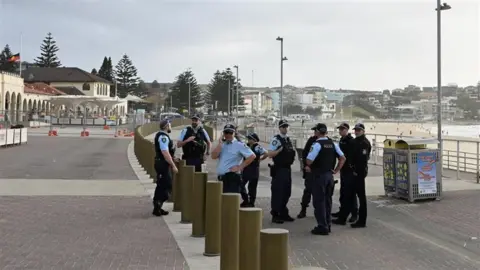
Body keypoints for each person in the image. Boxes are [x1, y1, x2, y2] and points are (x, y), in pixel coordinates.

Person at [305, 123, 346, 235]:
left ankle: (322, 226)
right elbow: (342, 158)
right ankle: (327, 224)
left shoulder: (317, 144)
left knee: (319, 202)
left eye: (315, 131)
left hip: (319, 176)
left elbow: (309, 160)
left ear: (318, 132)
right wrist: (336, 170)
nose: (314, 133)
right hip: (329, 176)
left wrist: (309, 166)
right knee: (328, 201)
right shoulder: (333, 143)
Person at [332, 123, 371, 228]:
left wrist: (356, 171)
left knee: (360, 198)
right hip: (352, 173)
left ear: (363, 131)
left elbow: (363, 160)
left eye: (359, 130)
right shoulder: (354, 142)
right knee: (348, 196)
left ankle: (361, 220)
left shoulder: (364, 143)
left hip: (359, 174)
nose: (357, 132)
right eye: (356, 130)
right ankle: (343, 218)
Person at [212, 124, 256, 193]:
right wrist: (220, 144)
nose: (228, 134)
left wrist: (240, 167)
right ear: (223, 134)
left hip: (232, 178)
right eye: (226, 132)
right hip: (221, 178)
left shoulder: (239, 145)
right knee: (222, 201)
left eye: (230, 132)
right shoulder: (222, 145)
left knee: (230, 201)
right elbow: (213, 156)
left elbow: (252, 156)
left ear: (234, 133)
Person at [268, 120, 296, 224]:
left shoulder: (288, 139)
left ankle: (283, 212)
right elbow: (270, 154)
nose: (285, 128)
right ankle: (275, 214)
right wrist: (279, 151)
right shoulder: (276, 140)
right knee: (278, 192)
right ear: (279, 128)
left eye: (286, 126)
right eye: (283, 127)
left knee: (286, 192)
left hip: (287, 169)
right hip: (279, 169)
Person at [331, 122, 358, 223]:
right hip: (344, 169)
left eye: (342, 129)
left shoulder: (351, 141)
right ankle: (342, 210)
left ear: (347, 130)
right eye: (340, 129)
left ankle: (354, 213)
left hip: (349, 170)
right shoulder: (342, 140)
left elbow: (351, 156)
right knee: (343, 192)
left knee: (351, 193)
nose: (340, 131)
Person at [152, 119, 179, 216]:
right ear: (166, 126)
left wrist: (173, 158)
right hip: (162, 164)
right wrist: (173, 165)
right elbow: (165, 152)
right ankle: (158, 204)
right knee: (166, 185)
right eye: (170, 125)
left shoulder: (161, 135)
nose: (170, 127)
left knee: (161, 184)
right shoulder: (163, 137)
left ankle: (158, 207)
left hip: (161, 163)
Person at [240, 133, 268, 207]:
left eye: (250, 139)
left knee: (252, 187)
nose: (248, 140)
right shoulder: (246, 146)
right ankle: (246, 199)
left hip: (254, 169)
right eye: (248, 139)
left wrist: (260, 159)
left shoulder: (257, 147)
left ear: (254, 140)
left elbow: (266, 153)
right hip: (246, 168)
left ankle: (251, 202)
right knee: (240, 184)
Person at [297, 132, 318, 219]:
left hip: (320, 172)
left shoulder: (327, 141)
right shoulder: (312, 140)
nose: (314, 132)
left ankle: (322, 212)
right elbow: (305, 154)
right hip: (310, 171)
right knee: (307, 192)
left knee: (321, 194)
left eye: (316, 131)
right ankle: (303, 210)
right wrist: (306, 166)